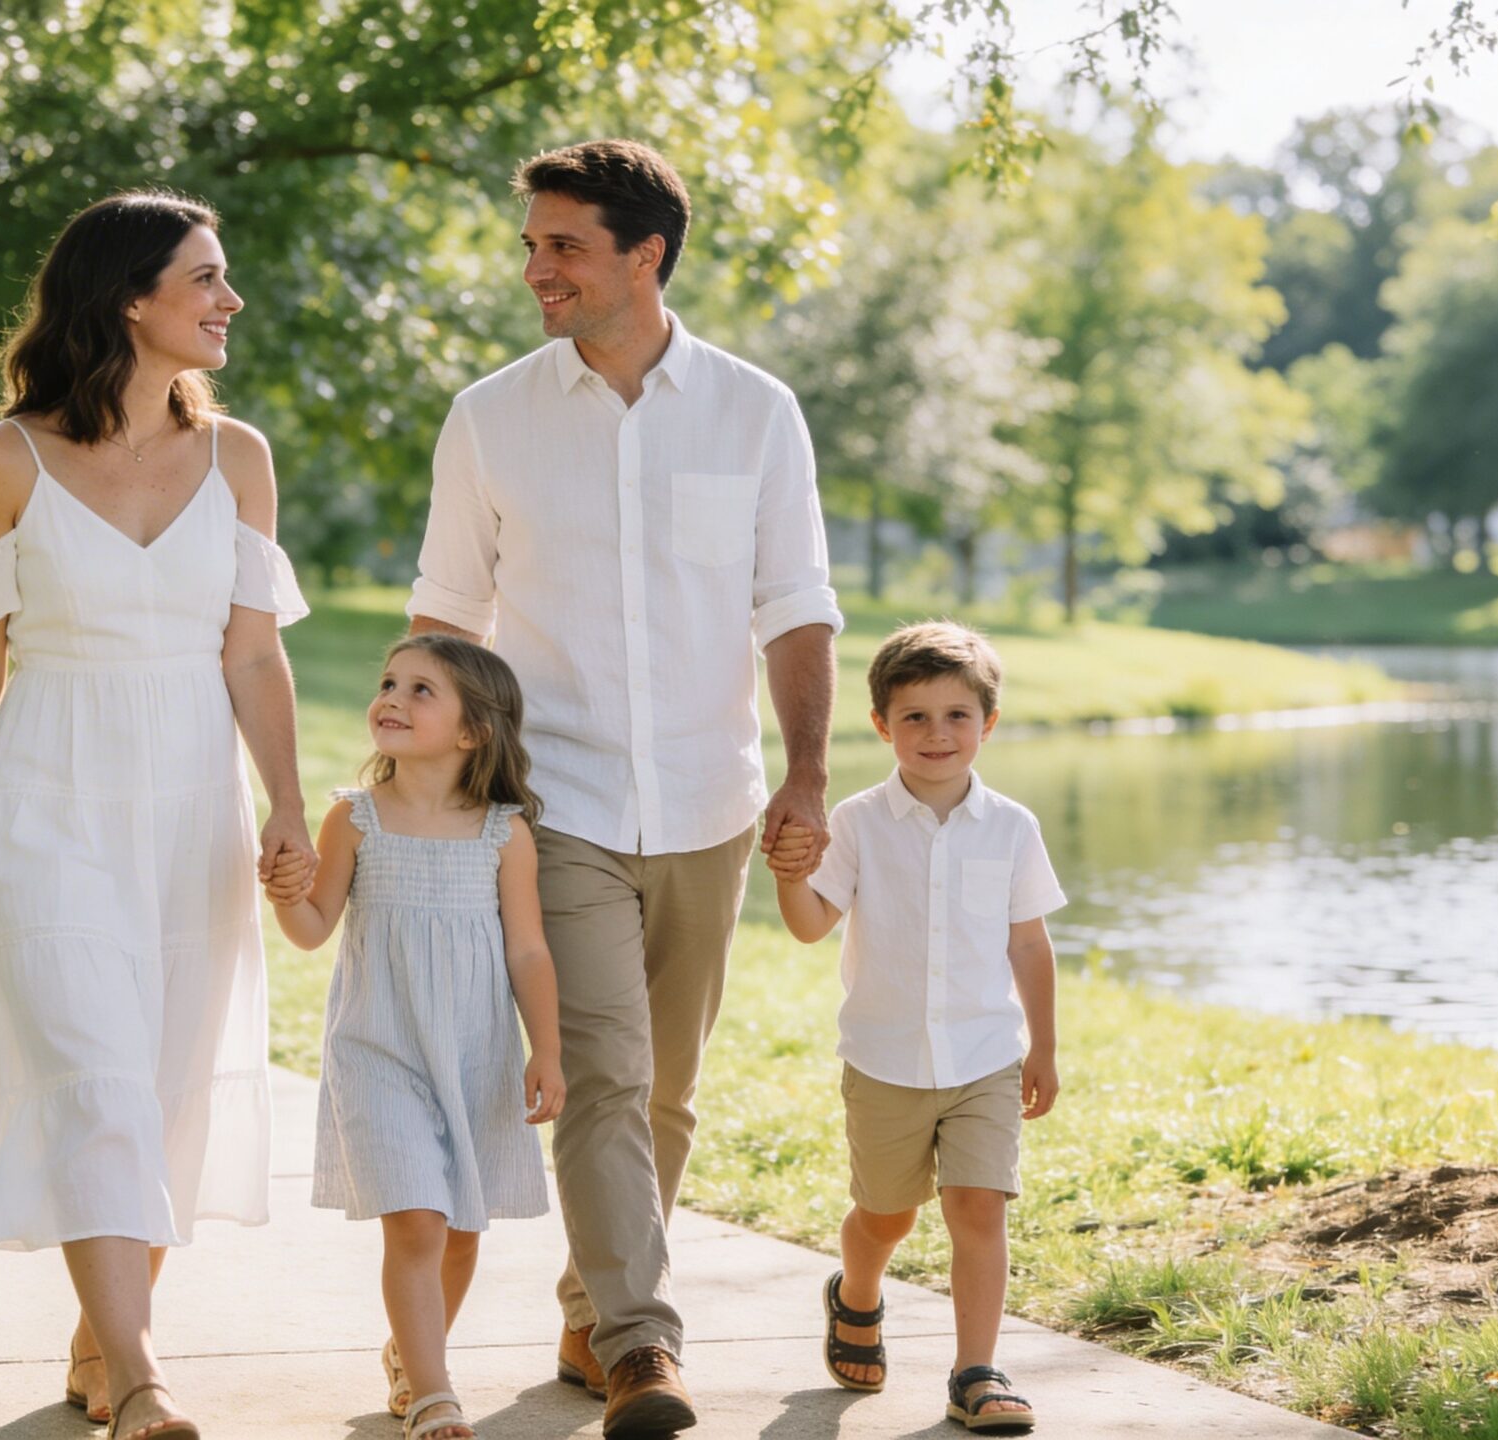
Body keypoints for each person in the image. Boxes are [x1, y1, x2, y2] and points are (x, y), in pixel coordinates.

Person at [406, 138, 844, 1436]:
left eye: (564, 246)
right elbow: (446, 616)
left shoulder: (756, 412)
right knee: (598, 1073)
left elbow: (797, 609)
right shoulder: (491, 417)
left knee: (666, 1094)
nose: (535, 267)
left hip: (712, 799)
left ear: (644, 255)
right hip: (556, 800)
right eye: (533, 243)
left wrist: (808, 772)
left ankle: (590, 1308)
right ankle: (646, 1350)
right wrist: (432, 787)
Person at [0, 188, 315, 1440]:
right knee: (91, 1077)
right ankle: (143, 1381)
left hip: (193, 796)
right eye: (205, 279)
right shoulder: (1, 463)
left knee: (165, 1083)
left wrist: (289, 811)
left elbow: (253, 656)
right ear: (129, 298)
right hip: (47, 797)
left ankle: (105, 1337)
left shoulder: (238, 457)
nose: (228, 301)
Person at [262, 634, 565, 1440]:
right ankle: (435, 1393)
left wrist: (549, 1050)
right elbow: (311, 928)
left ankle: (409, 1352)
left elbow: (528, 949)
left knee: (464, 1230)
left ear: (474, 733)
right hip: (380, 1050)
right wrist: (287, 893)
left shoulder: (504, 833)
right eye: (389, 682)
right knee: (418, 1222)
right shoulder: (353, 819)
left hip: (475, 1054)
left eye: (421, 690)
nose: (392, 697)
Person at [765, 621, 1063, 1435]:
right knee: (887, 1214)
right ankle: (856, 1293)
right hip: (887, 1059)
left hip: (985, 1057)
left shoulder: (1012, 827)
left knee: (978, 1209)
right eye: (915, 717)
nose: (937, 734)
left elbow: (1028, 942)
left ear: (988, 723)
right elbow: (810, 924)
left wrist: (1043, 1046)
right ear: (881, 726)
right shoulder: (857, 822)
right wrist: (791, 876)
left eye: (957, 715)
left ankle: (976, 1372)